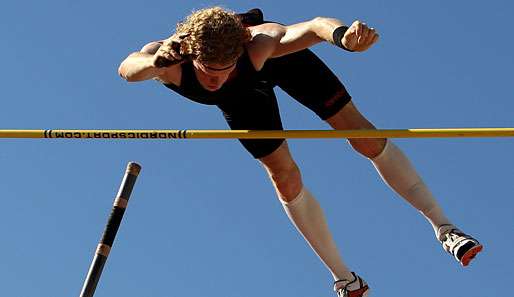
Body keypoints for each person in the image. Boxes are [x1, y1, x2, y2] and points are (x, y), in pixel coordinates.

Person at [118, 7, 483, 297]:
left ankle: (445, 228)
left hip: (285, 62)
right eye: (209, 72)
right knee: (283, 176)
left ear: (238, 54)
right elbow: (127, 68)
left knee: (363, 136)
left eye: (224, 70)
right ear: (192, 57)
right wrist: (154, 64)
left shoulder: (258, 43)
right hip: (242, 98)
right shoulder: (170, 61)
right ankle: (346, 280)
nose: (216, 79)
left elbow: (315, 26)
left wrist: (344, 38)